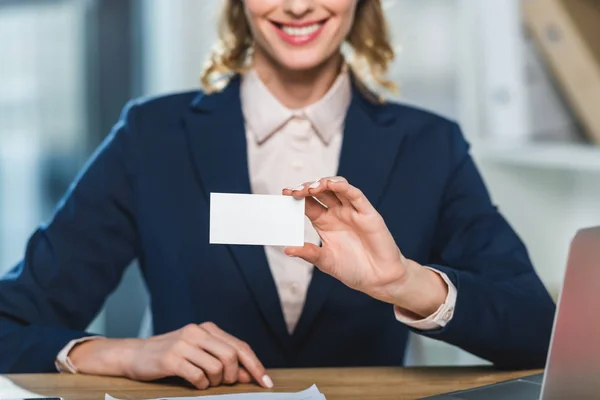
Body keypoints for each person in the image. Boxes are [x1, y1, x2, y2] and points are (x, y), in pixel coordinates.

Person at [0, 0, 555, 391]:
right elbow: (10, 321)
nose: (296, 4)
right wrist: (122, 351)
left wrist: (405, 283)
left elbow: (540, 333)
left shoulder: (429, 144)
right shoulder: (153, 136)